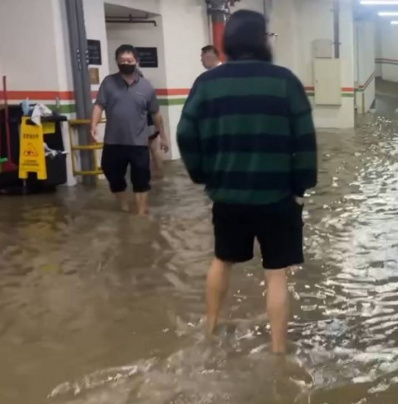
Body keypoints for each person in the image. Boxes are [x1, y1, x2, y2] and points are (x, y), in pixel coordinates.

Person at [177, 10, 317, 354]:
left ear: (228, 41)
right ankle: (278, 350)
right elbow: (305, 141)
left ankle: (210, 328)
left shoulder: (207, 83)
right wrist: (300, 187)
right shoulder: (285, 82)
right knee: (276, 273)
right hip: (277, 197)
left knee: (222, 259)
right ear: (261, 40)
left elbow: (184, 133)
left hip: (227, 196)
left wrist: (203, 175)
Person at [91, 44, 169, 214]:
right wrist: (93, 125)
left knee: (141, 176)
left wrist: (163, 135)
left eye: (129, 60)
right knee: (111, 173)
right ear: (117, 62)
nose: (125, 63)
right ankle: (124, 205)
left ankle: (141, 213)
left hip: (138, 142)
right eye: (122, 60)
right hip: (114, 141)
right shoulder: (108, 82)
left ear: (136, 61)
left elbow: (156, 113)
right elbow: (99, 106)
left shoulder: (146, 87)